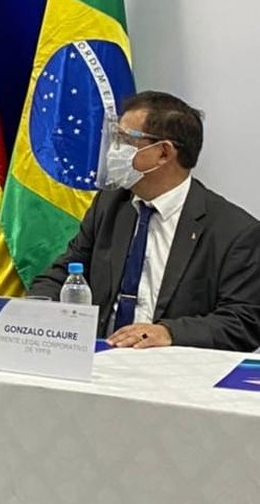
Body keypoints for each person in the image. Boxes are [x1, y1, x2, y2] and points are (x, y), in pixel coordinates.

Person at [28, 91, 260, 352]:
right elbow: (64, 272)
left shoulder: (235, 231)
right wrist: (38, 306)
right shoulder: (110, 204)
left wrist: (169, 332)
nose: (114, 151)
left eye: (125, 140)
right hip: (99, 358)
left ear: (163, 153)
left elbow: (243, 321)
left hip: (171, 367)